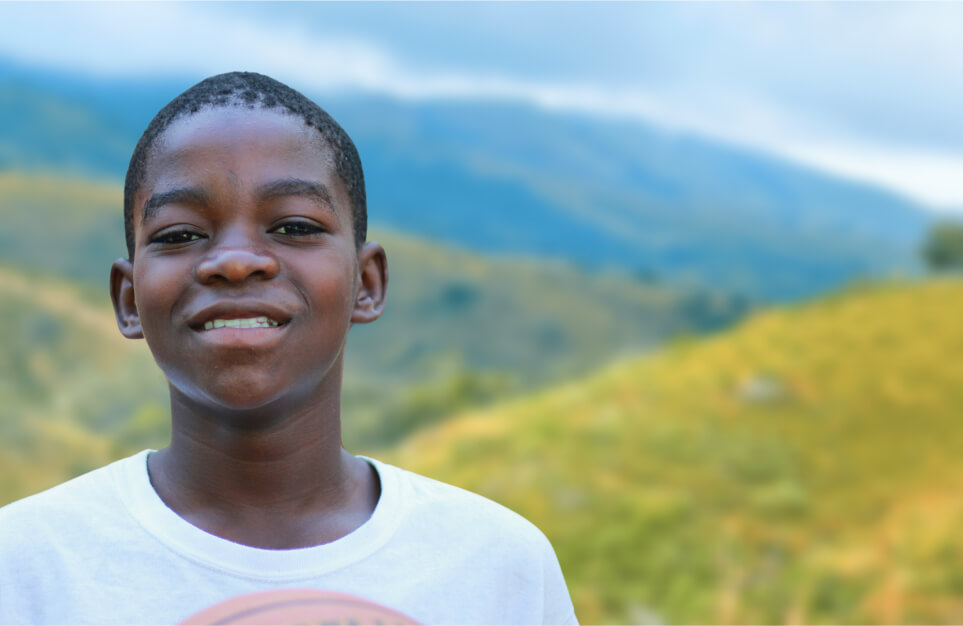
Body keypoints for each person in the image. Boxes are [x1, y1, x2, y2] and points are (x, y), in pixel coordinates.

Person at [0, 72, 577, 625]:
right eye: (179, 235)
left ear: (366, 284)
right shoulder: (28, 564)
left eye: (295, 227)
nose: (234, 260)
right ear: (128, 299)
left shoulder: (497, 564)